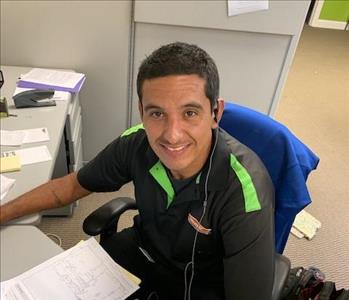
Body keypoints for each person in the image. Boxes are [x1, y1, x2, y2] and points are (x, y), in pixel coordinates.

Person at [0, 42, 275, 299]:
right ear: (142, 111)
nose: (172, 135)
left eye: (190, 113)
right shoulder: (137, 143)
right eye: (157, 113)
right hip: (143, 252)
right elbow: (69, 188)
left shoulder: (243, 191)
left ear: (216, 113)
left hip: (202, 284)